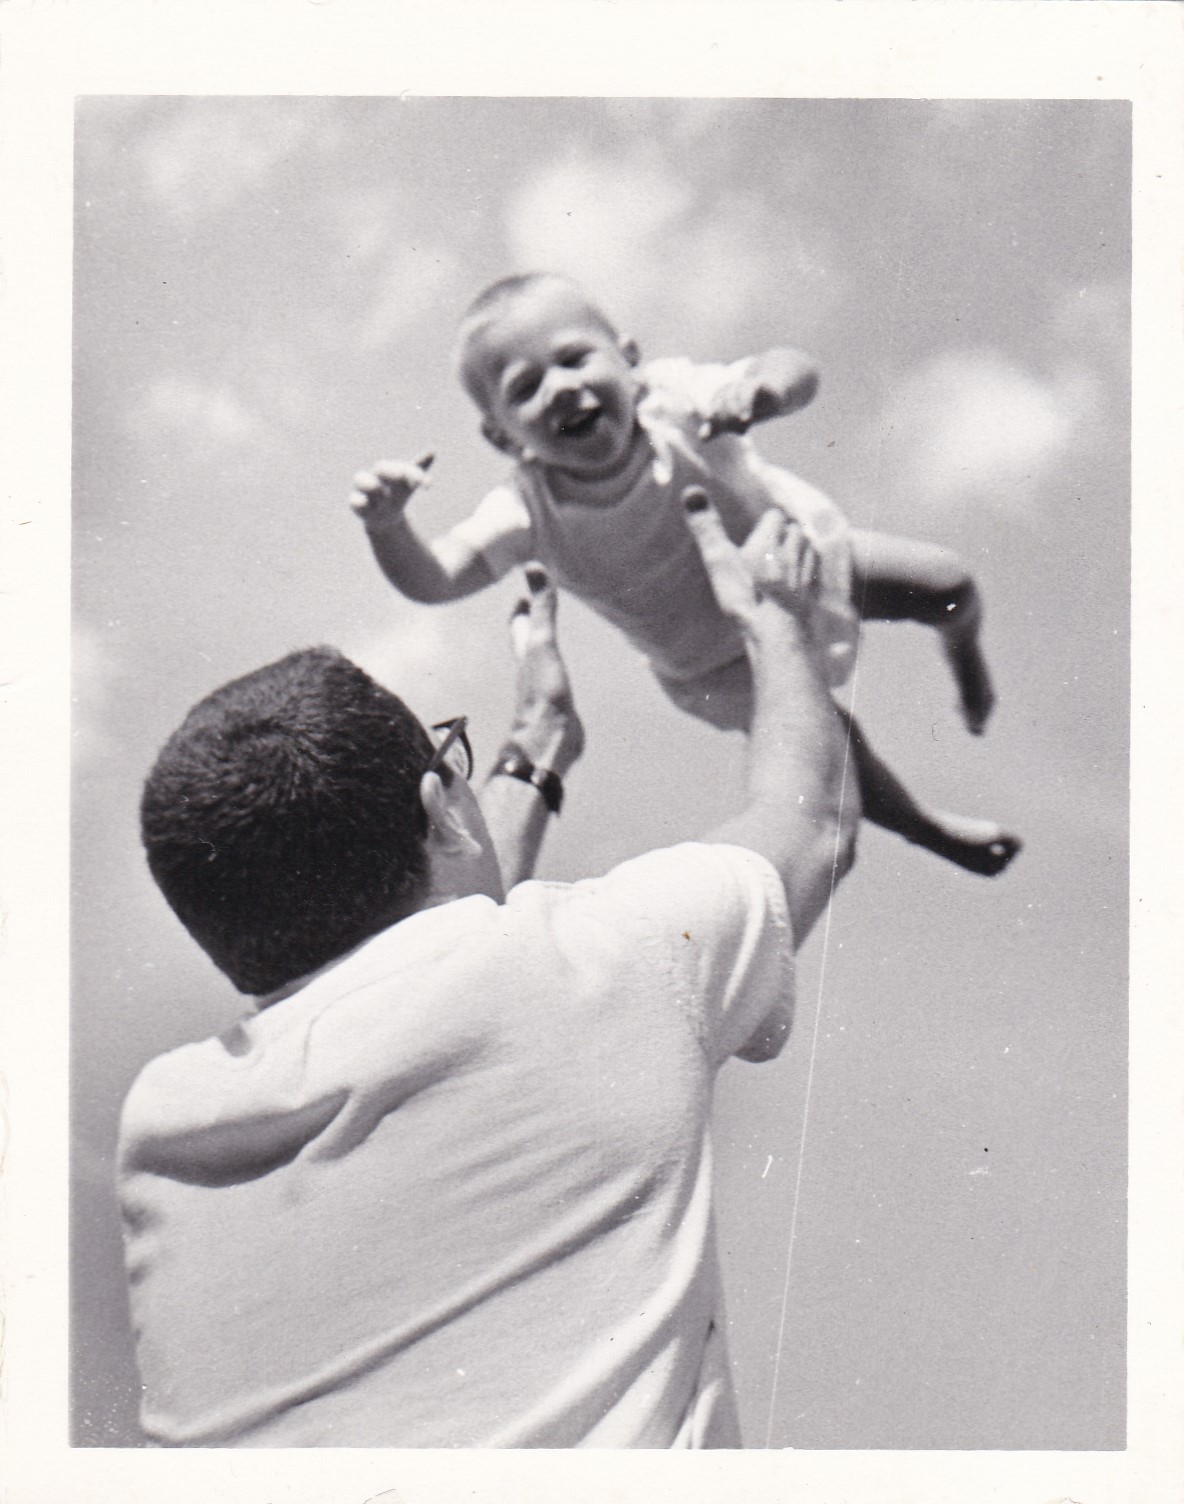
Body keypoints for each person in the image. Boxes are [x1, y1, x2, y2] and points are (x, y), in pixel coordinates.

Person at [118, 494, 858, 1448]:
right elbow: (811, 820)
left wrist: (536, 746)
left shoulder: (163, 1126)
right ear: (442, 802)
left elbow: (442, 962)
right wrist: (777, 617)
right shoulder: (611, 959)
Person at [351, 271, 1020, 877]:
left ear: (631, 361)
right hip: (716, 665)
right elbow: (436, 577)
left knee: (947, 584)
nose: (560, 386)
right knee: (838, 751)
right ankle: (927, 830)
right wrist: (389, 525)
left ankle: (965, 657)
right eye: (524, 388)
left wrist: (766, 389)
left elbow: (795, 366)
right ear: (502, 436)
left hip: (800, 565)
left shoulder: (676, 400)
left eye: (575, 358)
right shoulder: (526, 510)